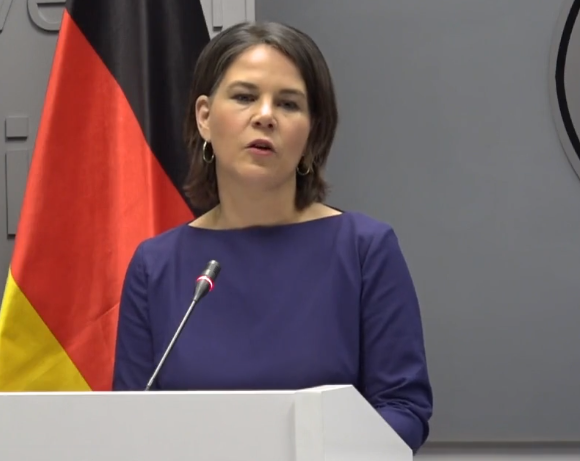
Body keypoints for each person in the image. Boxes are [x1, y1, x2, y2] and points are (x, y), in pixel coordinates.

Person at [111, 21, 433, 453]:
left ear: (312, 130)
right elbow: (129, 422)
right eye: (245, 97)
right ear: (205, 117)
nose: (265, 115)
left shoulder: (364, 249)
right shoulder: (156, 265)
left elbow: (403, 409)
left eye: (288, 103)